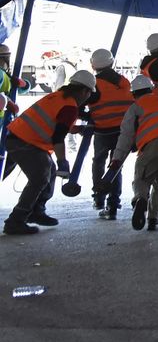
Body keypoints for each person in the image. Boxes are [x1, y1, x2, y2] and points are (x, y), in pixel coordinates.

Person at [3, 70, 94, 234]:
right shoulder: (70, 106)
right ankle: (16, 220)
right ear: (84, 91)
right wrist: (62, 162)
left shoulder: (58, 97)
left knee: (48, 171)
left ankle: (36, 211)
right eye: (89, 93)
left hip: (18, 136)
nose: (88, 98)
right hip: (26, 142)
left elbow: (55, 123)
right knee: (40, 177)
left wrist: (76, 128)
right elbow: (58, 137)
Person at [106, 74, 158, 232]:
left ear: (133, 93)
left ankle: (140, 199)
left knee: (142, 176)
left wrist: (117, 159)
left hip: (156, 141)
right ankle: (153, 219)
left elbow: (126, 136)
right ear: (151, 89)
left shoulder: (135, 107)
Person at [86, 47, 136, 220]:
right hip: (123, 130)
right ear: (112, 62)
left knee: (98, 162)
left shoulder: (93, 83)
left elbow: (84, 103)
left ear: (93, 65)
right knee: (116, 166)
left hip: (102, 130)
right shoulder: (124, 81)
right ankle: (113, 205)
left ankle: (99, 197)